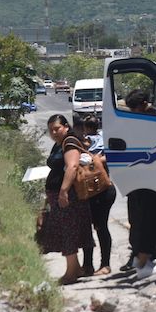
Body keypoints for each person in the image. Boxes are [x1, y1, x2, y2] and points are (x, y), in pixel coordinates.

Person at [37, 114, 94, 285]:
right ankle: (75, 268)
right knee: (65, 230)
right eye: (51, 130)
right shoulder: (59, 144)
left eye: (57, 128)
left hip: (68, 197)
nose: (54, 132)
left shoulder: (69, 142)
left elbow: (72, 166)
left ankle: (70, 273)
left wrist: (63, 191)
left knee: (68, 231)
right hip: (58, 196)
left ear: (66, 127)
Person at [119, 89, 156, 279]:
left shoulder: (155, 119)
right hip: (140, 179)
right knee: (139, 220)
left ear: (145, 104)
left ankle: (145, 259)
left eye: (136, 108)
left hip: (151, 179)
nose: (134, 112)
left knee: (150, 220)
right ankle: (142, 257)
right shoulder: (138, 119)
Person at [80, 115, 116, 276]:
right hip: (92, 191)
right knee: (95, 228)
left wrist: (93, 160)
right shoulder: (102, 139)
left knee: (97, 227)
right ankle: (90, 265)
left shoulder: (86, 141)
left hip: (99, 191)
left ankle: (102, 265)